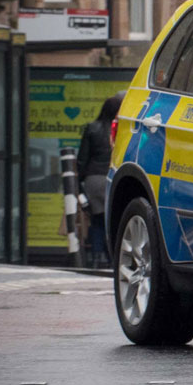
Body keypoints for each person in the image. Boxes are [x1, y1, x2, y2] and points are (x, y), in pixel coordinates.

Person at [77, 93, 125, 269]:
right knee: (113, 221)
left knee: (97, 222)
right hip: (112, 178)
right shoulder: (121, 129)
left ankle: (96, 259)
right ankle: (113, 260)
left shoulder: (92, 128)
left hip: (93, 181)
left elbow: (82, 160)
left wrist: (78, 186)